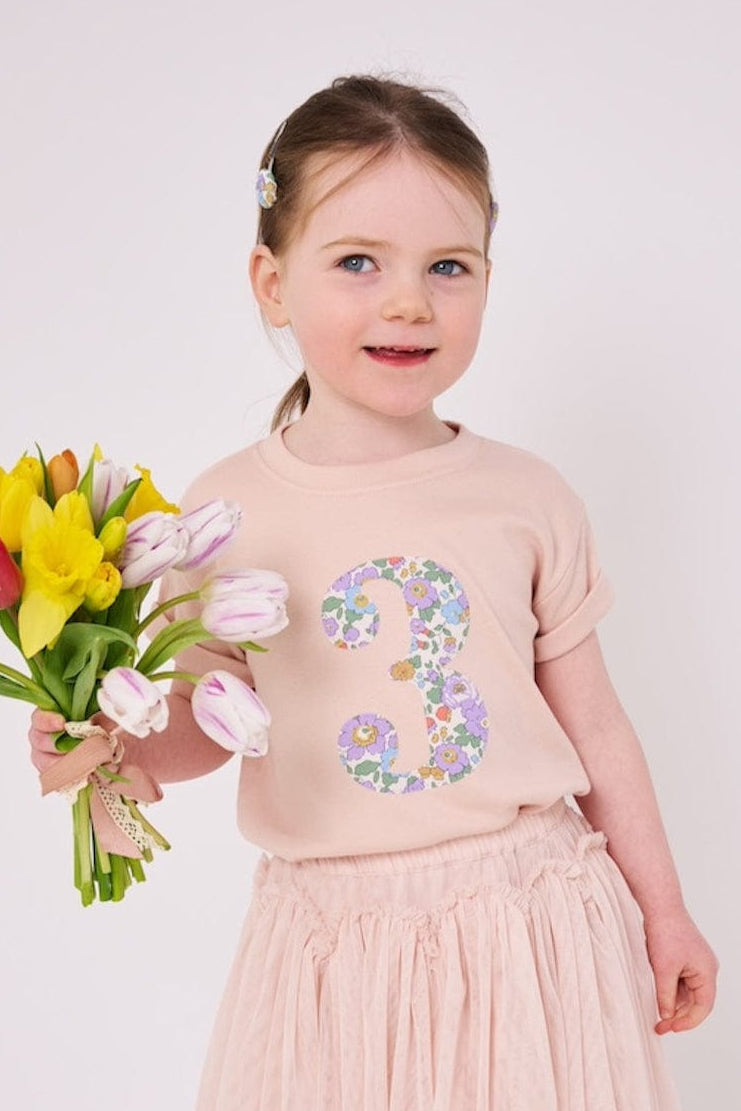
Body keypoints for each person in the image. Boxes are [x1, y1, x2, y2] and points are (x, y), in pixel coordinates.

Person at [29, 74, 717, 1110]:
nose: (408, 302)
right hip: (331, 948)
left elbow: (601, 729)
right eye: (357, 262)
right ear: (271, 281)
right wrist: (109, 744)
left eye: (449, 266)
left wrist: (665, 910)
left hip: (528, 923)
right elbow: (212, 727)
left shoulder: (526, 496)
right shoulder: (223, 513)